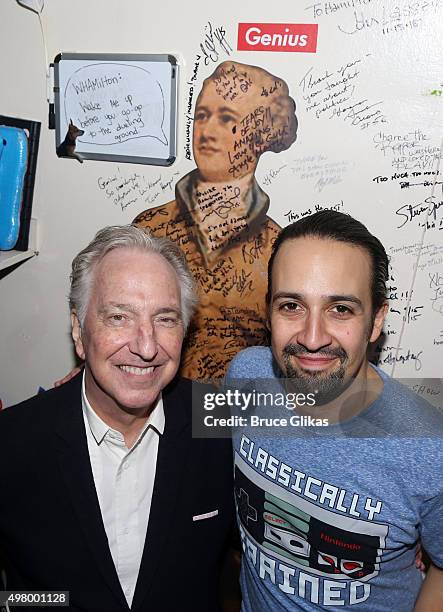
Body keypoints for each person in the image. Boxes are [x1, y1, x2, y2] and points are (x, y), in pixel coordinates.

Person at [0, 225, 235, 612]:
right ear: (79, 330)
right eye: (118, 317)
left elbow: (337, 404)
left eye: (165, 319)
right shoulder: (12, 444)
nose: (146, 346)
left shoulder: (221, 421)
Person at [225, 211, 443, 610]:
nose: (311, 338)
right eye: (291, 305)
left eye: (340, 309)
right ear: (268, 311)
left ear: (376, 321)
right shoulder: (247, 375)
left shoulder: (430, 448)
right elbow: (187, 428)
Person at [134, 60, 298, 380]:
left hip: (237, 417)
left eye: (227, 119)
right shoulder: (149, 229)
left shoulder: (279, 250)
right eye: (202, 115)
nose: (207, 132)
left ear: (262, 135)